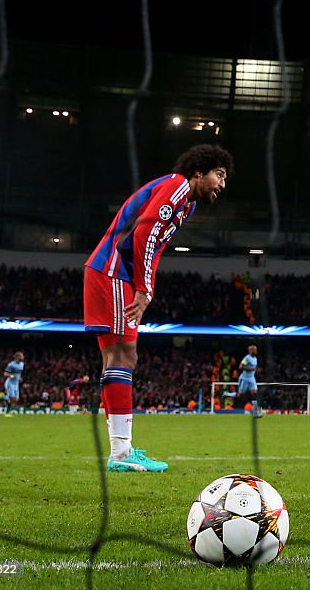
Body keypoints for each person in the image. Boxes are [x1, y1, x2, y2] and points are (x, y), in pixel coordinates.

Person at [84, 144, 233, 472]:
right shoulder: (178, 186)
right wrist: (145, 288)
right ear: (199, 171)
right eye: (218, 175)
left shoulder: (186, 204)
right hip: (113, 270)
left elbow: (155, 243)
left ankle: (120, 451)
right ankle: (121, 454)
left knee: (119, 357)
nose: (222, 184)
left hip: (109, 270)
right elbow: (145, 235)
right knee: (124, 356)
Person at [238, 344, 261, 416]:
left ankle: (255, 410)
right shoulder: (247, 358)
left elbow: (254, 369)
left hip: (252, 378)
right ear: (251, 350)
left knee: (254, 393)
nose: (256, 351)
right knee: (240, 394)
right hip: (245, 378)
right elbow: (241, 367)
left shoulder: (255, 359)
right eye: (254, 349)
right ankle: (228, 394)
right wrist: (251, 369)